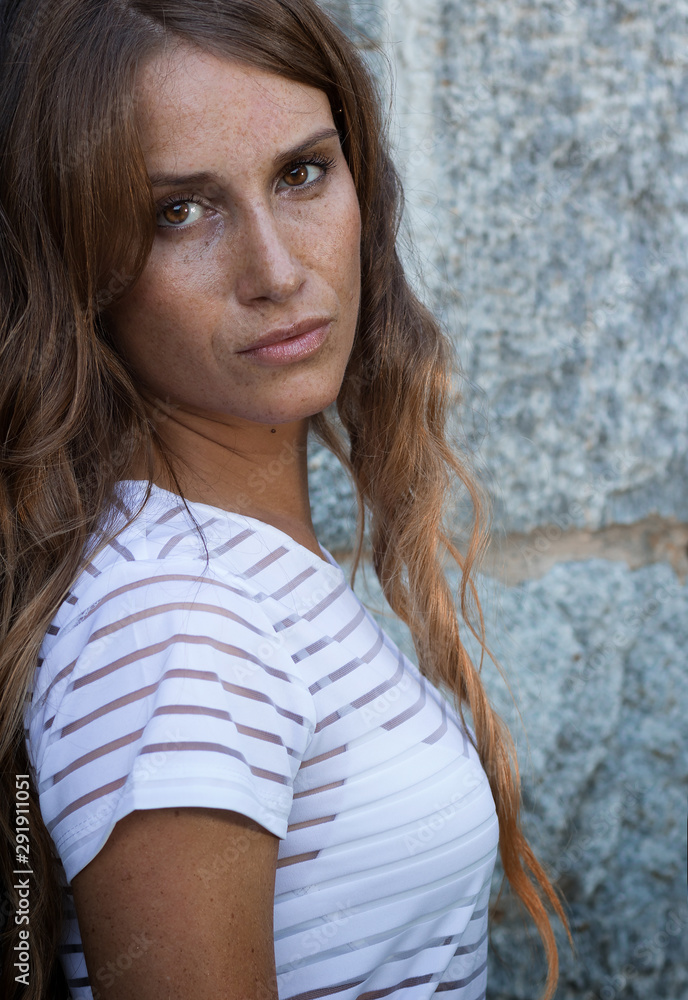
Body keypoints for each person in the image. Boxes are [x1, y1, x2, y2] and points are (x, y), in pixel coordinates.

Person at [0, 2, 573, 999]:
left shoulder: (226, 573)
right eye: (177, 211)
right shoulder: (178, 627)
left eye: (301, 172)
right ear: (83, 265)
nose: (274, 270)